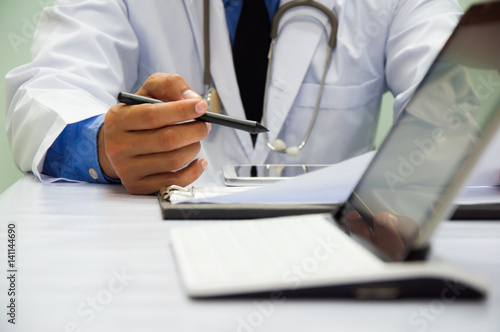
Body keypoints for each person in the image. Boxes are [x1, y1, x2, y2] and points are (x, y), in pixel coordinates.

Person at [5, 0, 464, 194]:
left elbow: (457, 92)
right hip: (153, 261)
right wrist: (103, 144)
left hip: (333, 260)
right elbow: (45, 93)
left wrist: (455, 133)